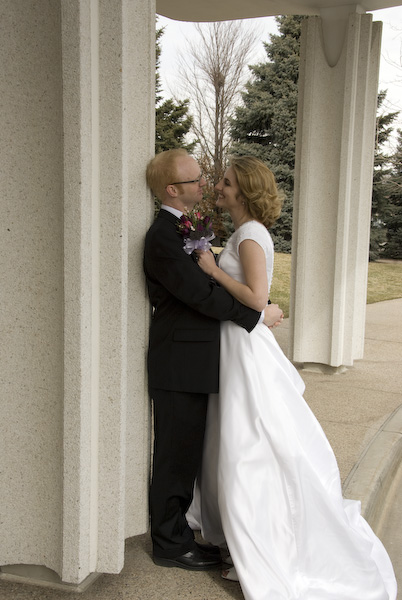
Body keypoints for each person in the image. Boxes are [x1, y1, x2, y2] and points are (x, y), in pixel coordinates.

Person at [190, 156, 397, 599]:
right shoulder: (247, 233)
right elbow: (260, 303)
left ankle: (259, 537)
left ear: (244, 192)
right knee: (236, 438)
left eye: (226, 183)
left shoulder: (249, 235)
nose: (219, 187)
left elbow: (256, 298)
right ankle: (236, 531)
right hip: (236, 344)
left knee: (249, 441)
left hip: (243, 349)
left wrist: (212, 271)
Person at [143, 149, 283, 572]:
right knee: (174, 455)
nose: (205, 184)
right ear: (173, 190)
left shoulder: (183, 226)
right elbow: (200, 294)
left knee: (188, 453)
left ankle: (183, 534)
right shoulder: (163, 236)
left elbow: (221, 284)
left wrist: (257, 306)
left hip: (197, 358)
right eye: (196, 180)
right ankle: (170, 544)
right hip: (179, 361)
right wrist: (257, 316)